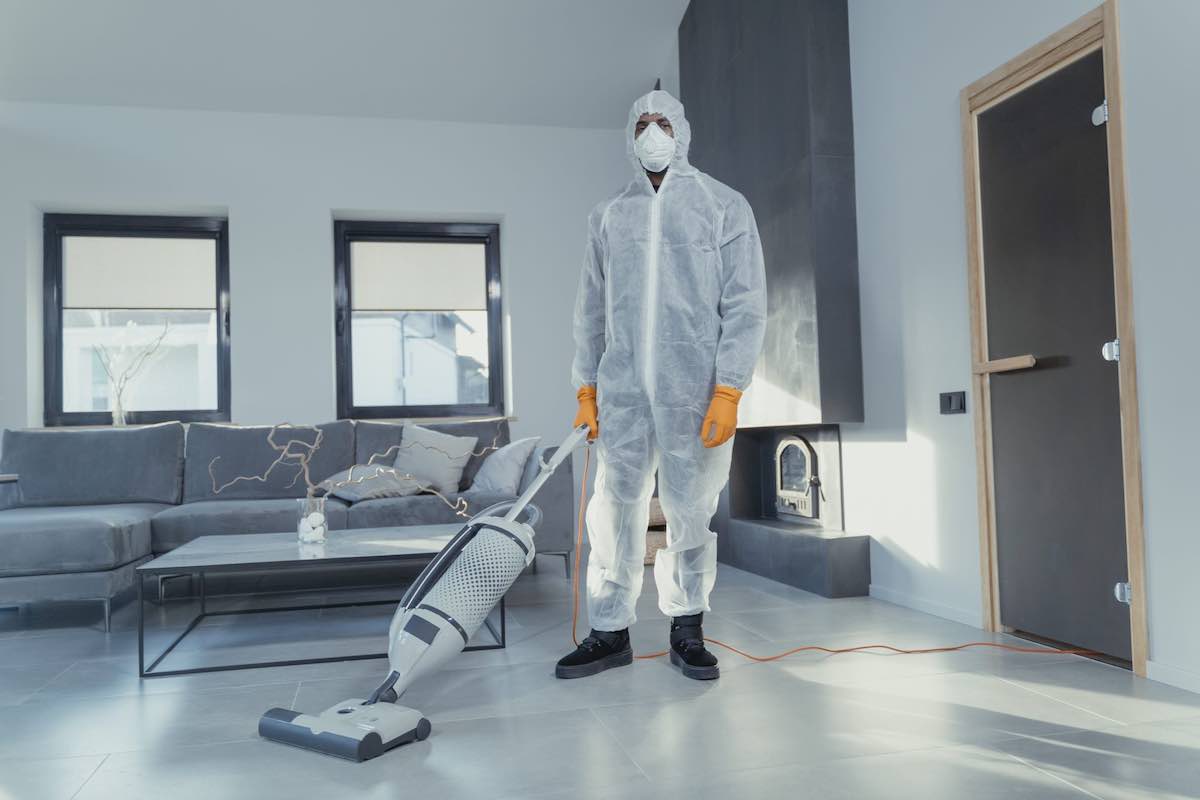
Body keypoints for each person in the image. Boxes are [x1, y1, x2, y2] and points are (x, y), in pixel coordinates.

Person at [557, 89, 767, 681]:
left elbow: (746, 304)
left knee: (691, 509)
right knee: (612, 509)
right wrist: (585, 389)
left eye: (663, 122)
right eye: (643, 124)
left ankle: (687, 628)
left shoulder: (723, 207)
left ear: (682, 131)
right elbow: (590, 310)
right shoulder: (609, 216)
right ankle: (609, 631)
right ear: (630, 135)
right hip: (621, 390)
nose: (653, 133)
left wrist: (729, 389)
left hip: (693, 388)